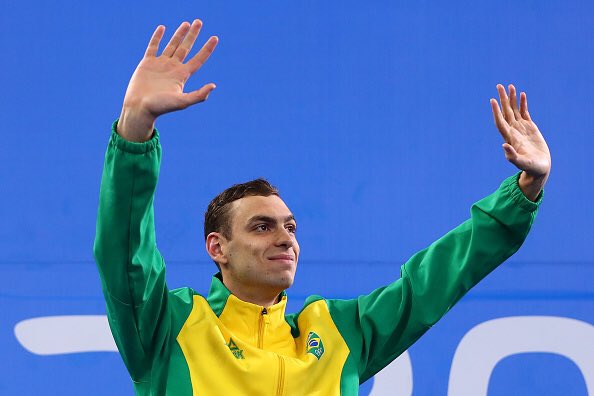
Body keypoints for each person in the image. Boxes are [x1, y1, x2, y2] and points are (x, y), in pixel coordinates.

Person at [93, 19, 551, 395]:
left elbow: (435, 281)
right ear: (218, 247)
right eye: (261, 226)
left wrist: (526, 188)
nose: (285, 238)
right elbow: (126, 254)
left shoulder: (336, 333)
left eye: (290, 227)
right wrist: (135, 128)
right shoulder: (169, 327)